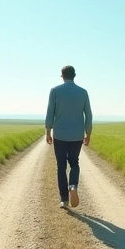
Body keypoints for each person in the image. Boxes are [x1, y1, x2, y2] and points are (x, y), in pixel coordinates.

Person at [45, 65, 92, 209]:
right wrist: (88, 134)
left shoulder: (55, 91)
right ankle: (73, 186)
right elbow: (88, 115)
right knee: (74, 163)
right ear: (74, 75)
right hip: (77, 136)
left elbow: (50, 113)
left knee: (61, 166)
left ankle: (64, 199)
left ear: (62, 76)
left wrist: (48, 132)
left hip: (60, 135)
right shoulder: (83, 92)